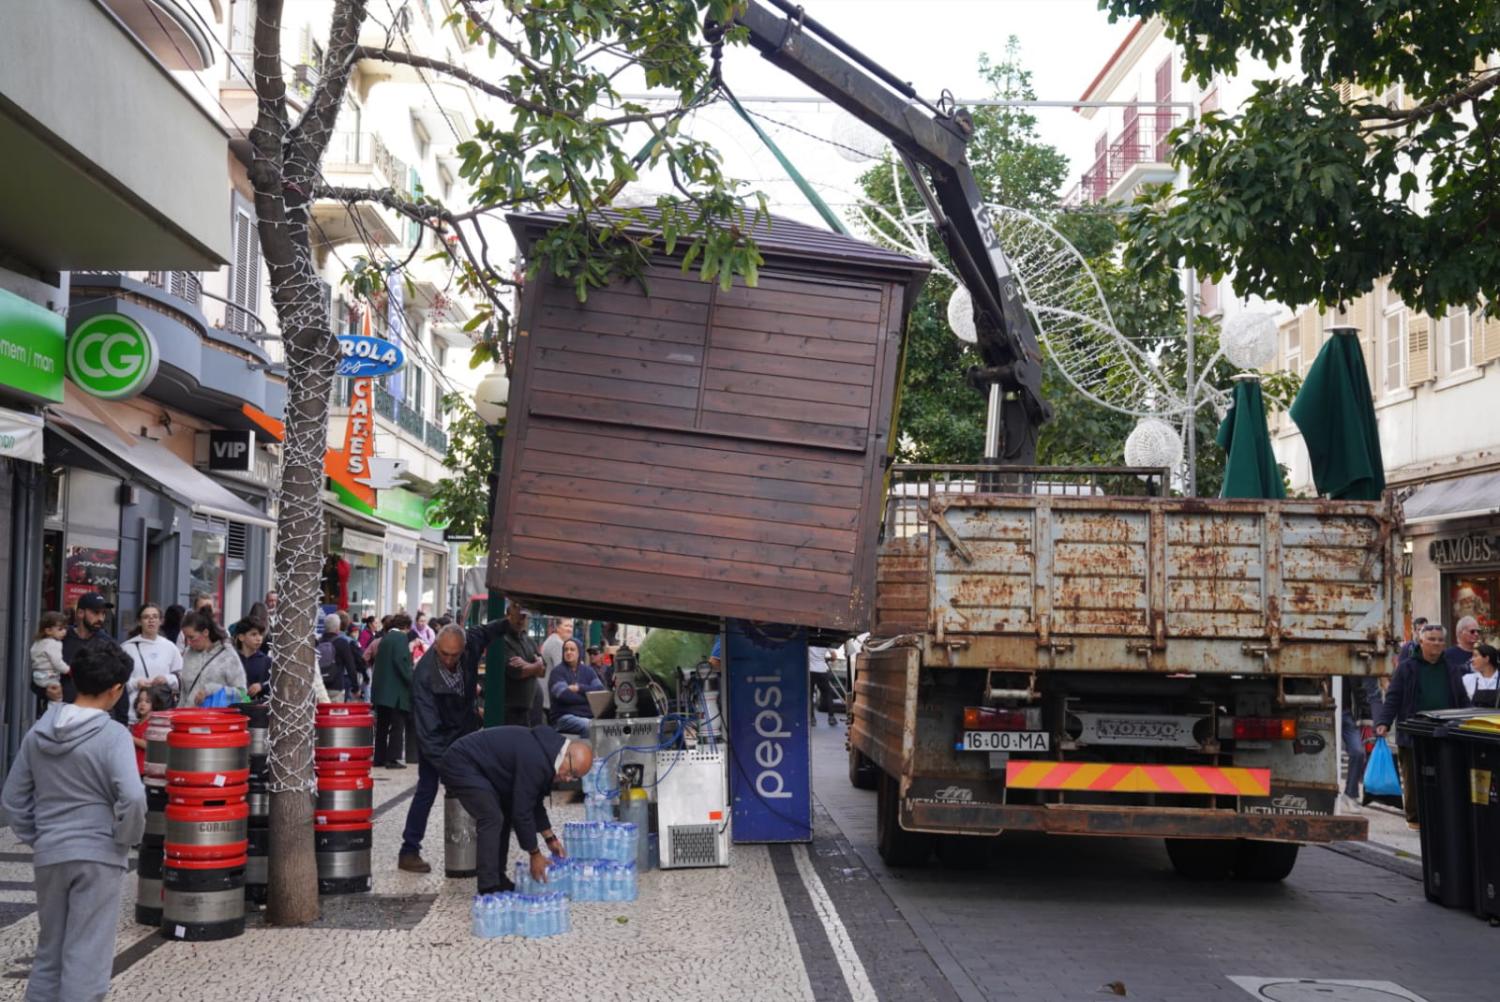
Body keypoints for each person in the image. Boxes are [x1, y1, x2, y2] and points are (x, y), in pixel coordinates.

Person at [1, 640, 146, 1002]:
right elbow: (133, 796)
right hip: (99, 853)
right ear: (115, 690)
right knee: (87, 954)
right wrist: (122, 839)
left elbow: (13, 798)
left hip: (51, 852)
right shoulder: (114, 735)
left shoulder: (39, 732)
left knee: (49, 953)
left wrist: (42, 837)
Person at [399, 619, 514, 873]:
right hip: (437, 736)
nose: (449, 660)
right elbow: (429, 736)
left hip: (464, 729)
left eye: (455, 655)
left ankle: (483, 846)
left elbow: (486, 631)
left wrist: (509, 622)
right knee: (427, 789)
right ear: (436, 647)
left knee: (482, 783)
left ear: (463, 649)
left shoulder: (469, 645)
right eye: (443, 654)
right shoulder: (424, 677)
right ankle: (408, 850)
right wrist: (451, 769)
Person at [437, 725, 593, 893]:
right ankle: (488, 886)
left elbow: (534, 801)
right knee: (492, 817)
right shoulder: (538, 760)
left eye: (575, 777)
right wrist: (535, 854)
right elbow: (522, 811)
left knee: (503, 813)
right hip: (461, 763)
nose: (569, 779)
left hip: (480, 768)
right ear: (568, 754)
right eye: (572, 772)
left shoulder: (550, 753)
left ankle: (498, 877)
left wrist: (550, 838)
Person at [1375, 623, 1472, 827]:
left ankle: (1441, 815)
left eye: (1440, 640)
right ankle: (1415, 818)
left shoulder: (1451, 668)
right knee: (1413, 776)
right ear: (1421, 642)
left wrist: (1468, 722)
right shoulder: (1407, 667)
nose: (1437, 643)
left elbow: (1462, 698)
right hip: (1414, 731)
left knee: (1444, 774)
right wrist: (1383, 722)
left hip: (1444, 732)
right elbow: (1394, 696)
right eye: (1432, 639)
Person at [122, 603, 183, 720]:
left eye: (155, 617)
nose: (151, 620)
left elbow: (181, 678)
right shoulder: (127, 647)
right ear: (139, 622)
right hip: (134, 714)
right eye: (146, 617)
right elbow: (117, 683)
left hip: (162, 713)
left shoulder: (170, 647)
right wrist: (136, 683)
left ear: (161, 621)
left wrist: (167, 678)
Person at [57, 593, 117, 705]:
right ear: (80, 613)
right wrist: (45, 691)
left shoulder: (108, 644)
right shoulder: (62, 638)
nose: (100, 618)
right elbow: (41, 671)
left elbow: (118, 683)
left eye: (103, 613)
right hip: (61, 713)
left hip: (94, 715)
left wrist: (120, 720)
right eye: (96, 612)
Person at [374, 613, 415, 770]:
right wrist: (411, 679)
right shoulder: (400, 638)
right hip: (396, 692)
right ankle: (392, 758)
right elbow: (401, 661)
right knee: (397, 726)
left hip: (382, 691)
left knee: (382, 726)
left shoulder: (385, 638)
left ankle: (379, 757)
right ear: (405, 627)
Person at [179, 611, 245, 706]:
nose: (189, 642)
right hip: (189, 716)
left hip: (217, 718)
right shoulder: (188, 653)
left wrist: (212, 690)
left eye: (191, 637)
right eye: (186, 638)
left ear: (205, 632)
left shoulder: (228, 654)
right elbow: (184, 694)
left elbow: (242, 694)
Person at [502, 604, 547, 727]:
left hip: (531, 709)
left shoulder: (528, 640)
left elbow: (543, 670)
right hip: (511, 710)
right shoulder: (503, 640)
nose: (521, 620)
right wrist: (536, 666)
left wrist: (529, 666)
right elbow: (516, 671)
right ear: (508, 616)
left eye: (524, 617)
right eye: (517, 616)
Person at [549, 638, 604, 737]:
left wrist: (579, 688)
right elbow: (564, 696)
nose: (568, 652)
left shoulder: (589, 671)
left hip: (588, 716)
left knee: (608, 725)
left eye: (572, 649)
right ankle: (586, 752)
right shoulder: (557, 672)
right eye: (566, 649)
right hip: (563, 717)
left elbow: (600, 692)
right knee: (589, 726)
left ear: (579, 652)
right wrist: (588, 697)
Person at [1339, 674, 1378, 808]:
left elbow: (1360, 690)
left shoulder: (1349, 665)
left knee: (1358, 752)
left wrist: (1367, 715)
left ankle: (1350, 794)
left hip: (1346, 714)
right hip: (1324, 711)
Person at [316, 612, 360, 702]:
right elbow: (350, 666)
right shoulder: (342, 643)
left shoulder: (317, 642)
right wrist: (355, 687)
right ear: (338, 628)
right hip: (336, 687)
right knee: (336, 714)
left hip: (319, 686)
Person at [129, 687, 172, 775]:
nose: (142, 704)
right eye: (140, 701)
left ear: (154, 705)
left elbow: (150, 745)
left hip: (145, 768)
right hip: (134, 767)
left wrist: (131, 738)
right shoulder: (136, 724)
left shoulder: (152, 725)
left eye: (147, 702)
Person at [30, 612, 70, 706]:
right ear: (48, 631)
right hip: (49, 676)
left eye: (65, 628)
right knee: (57, 696)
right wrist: (68, 670)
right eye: (60, 629)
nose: (64, 632)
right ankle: (53, 713)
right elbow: (57, 662)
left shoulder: (38, 642)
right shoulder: (53, 644)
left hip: (37, 676)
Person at [234, 618, 271, 701]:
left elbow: (274, 684)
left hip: (258, 708)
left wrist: (261, 686)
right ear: (241, 637)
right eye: (254, 634)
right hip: (234, 707)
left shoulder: (267, 661)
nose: (259, 638)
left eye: (261, 634)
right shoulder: (233, 660)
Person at [808, 644, 839, 727]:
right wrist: (826, 659)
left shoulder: (808, 640)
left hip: (810, 671)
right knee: (827, 694)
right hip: (822, 671)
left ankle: (812, 719)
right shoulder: (826, 641)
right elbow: (834, 657)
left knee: (809, 696)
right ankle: (831, 717)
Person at [1465, 643, 1500, 708]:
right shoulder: (1467, 679)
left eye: (1475, 656)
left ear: (1486, 659)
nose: (1472, 660)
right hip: (1474, 717)